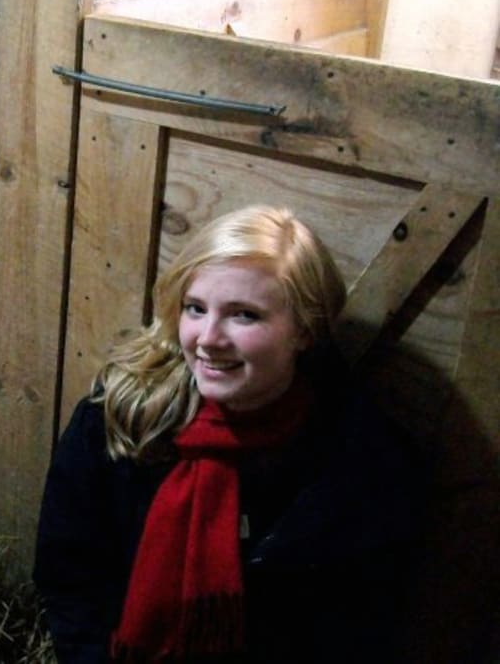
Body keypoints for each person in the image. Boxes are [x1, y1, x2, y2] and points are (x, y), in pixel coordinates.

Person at [34, 205, 422, 663]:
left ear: (303, 329)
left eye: (244, 316)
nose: (207, 339)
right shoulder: (120, 414)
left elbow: (356, 626)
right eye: (195, 309)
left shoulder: (359, 464)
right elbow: (69, 573)